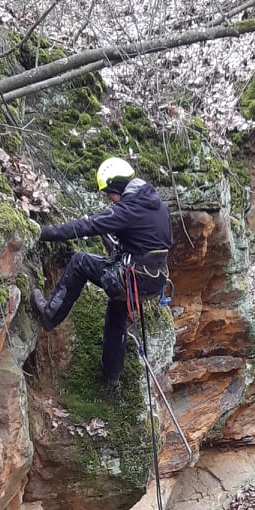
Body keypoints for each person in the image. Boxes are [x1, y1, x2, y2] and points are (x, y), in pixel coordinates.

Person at [32, 157, 172, 387]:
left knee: (80, 261)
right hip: (154, 282)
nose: (108, 197)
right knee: (116, 312)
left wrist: (44, 232)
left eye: (109, 192)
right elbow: (153, 240)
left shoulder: (127, 210)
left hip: (132, 281)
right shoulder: (158, 206)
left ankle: (50, 315)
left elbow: (86, 227)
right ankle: (111, 376)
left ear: (117, 186)